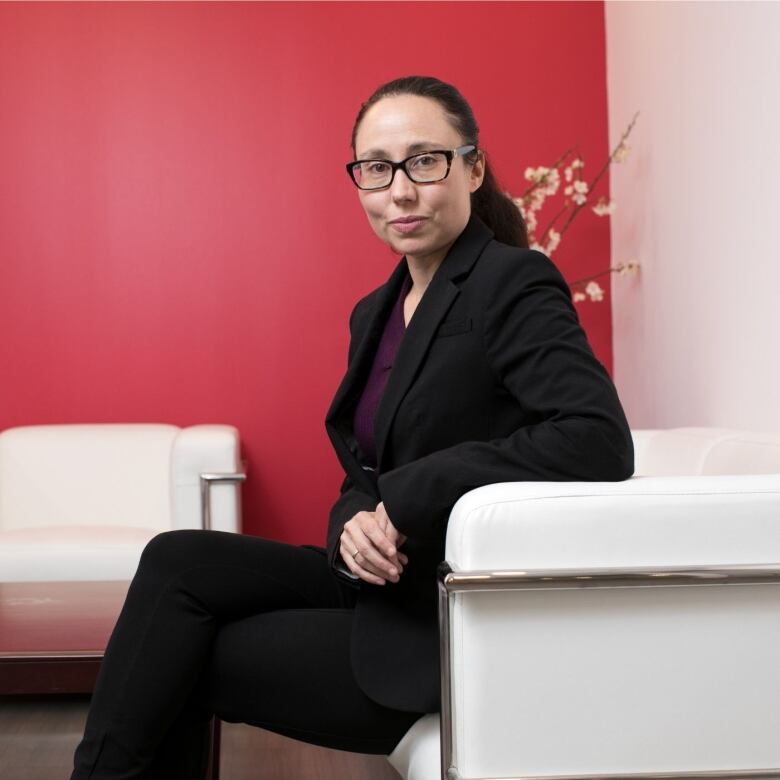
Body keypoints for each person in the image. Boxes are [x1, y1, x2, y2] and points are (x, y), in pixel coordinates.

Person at [70, 74, 634, 779]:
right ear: (360, 181)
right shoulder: (376, 311)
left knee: (176, 652)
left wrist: (407, 496)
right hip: (376, 581)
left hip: (434, 614)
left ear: (473, 167)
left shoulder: (511, 281)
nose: (401, 190)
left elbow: (596, 437)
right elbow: (361, 473)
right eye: (377, 168)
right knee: (175, 560)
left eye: (425, 161)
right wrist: (355, 520)